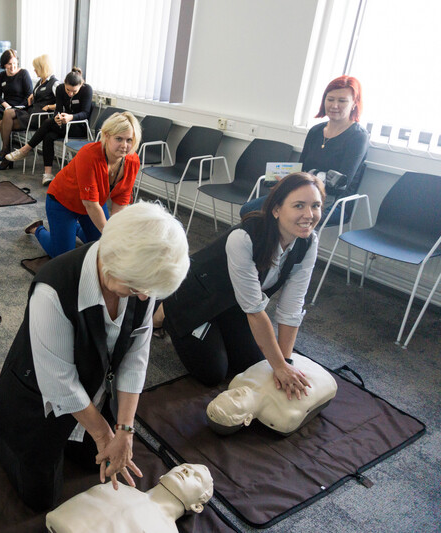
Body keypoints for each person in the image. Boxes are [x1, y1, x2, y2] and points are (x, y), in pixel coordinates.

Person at [0, 202, 191, 512]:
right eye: (137, 287)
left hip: (93, 383)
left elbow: (135, 357)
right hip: (40, 392)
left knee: (92, 463)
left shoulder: (143, 283)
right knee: (40, 500)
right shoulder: (53, 288)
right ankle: (2, 421)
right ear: (112, 260)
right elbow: (59, 382)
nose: (144, 297)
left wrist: (125, 429)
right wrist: (103, 433)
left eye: (149, 290)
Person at [157, 173, 325, 399]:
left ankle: (213, 327)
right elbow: (254, 311)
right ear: (276, 209)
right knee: (213, 373)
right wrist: (280, 367)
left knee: (253, 364)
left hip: (234, 303)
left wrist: (285, 362)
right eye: (299, 206)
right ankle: (165, 310)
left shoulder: (308, 242)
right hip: (196, 300)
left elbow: (291, 307)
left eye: (315, 206)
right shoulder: (244, 237)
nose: (309, 215)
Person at [240, 76, 368, 225]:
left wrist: (300, 183)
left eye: (342, 101)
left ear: (354, 104)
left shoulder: (358, 136)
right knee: (248, 210)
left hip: (334, 202)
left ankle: (278, 240)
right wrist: (282, 182)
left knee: (282, 216)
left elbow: (339, 184)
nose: (334, 105)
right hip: (302, 192)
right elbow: (302, 169)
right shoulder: (316, 131)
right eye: (330, 99)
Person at [24, 111, 142, 258]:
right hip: (63, 202)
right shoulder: (89, 155)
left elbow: (120, 202)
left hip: (94, 203)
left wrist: (113, 233)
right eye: (119, 139)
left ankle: (75, 228)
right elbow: (90, 204)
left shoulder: (132, 161)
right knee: (62, 256)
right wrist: (109, 236)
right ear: (106, 136)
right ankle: (37, 229)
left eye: (129, 140)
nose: (124, 146)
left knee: (101, 248)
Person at [46, 463, 213, 533]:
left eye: (196, 477)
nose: (186, 471)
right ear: (162, 475)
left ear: (198, 506)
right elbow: (57, 518)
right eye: (184, 467)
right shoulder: (116, 487)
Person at [206, 353, 338, 436]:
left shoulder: (237, 382)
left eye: (226, 394)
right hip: (324, 379)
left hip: (291, 358)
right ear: (247, 419)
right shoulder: (282, 417)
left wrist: (283, 364)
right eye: (235, 401)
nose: (235, 392)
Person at [5, 67, 93, 184]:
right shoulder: (60, 89)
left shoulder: (87, 90)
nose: (70, 93)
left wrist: (70, 117)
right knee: (48, 136)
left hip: (78, 127)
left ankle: (25, 150)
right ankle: (48, 174)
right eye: (68, 90)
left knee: (47, 122)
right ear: (64, 83)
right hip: (63, 125)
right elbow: (58, 109)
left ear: (81, 85)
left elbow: (85, 113)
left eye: (74, 91)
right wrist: (57, 117)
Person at [0, 54, 59, 171]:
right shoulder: (40, 82)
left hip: (40, 117)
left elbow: (61, 104)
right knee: (6, 116)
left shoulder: (54, 83)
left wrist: (49, 106)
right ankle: (6, 154)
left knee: (4, 122)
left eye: (36, 68)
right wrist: (32, 96)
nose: (34, 70)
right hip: (31, 112)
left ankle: (6, 155)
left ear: (43, 68)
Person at [0, 49, 32, 161]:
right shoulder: (2, 75)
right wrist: (5, 105)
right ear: (4, 64)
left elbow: (29, 96)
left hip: (19, 108)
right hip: (6, 106)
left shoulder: (23, 74)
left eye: (14, 63)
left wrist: (14, 108)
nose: (12, 66)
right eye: (9, 64)